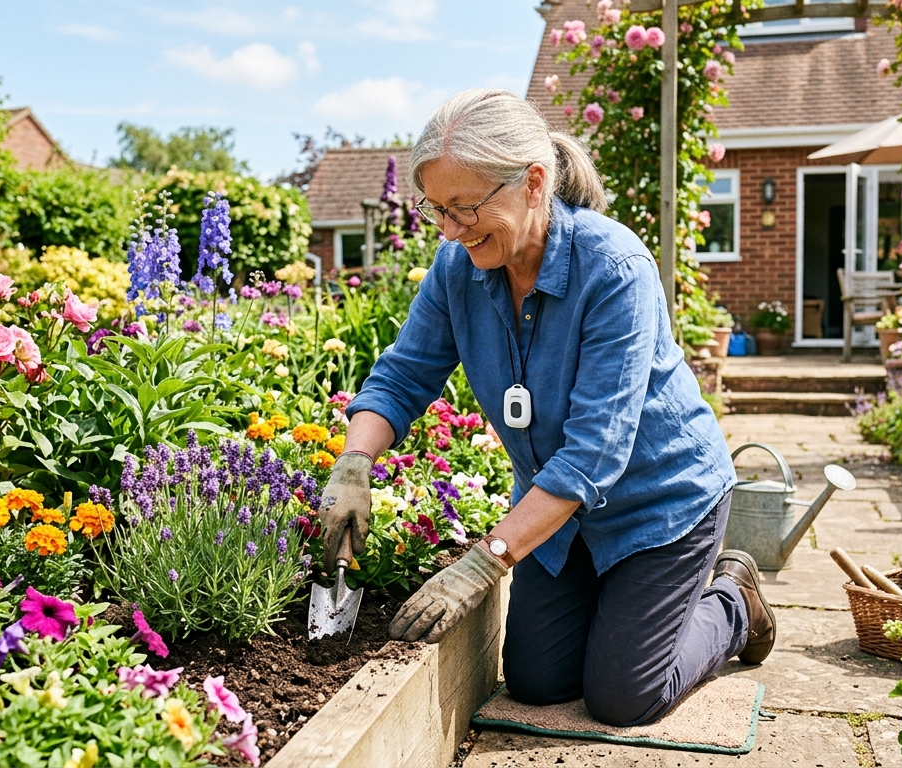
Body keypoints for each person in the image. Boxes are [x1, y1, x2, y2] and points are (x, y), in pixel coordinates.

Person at [316, 89, 776, 727]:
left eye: (466, 207)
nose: (450, 230)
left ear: (533, 183)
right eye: (437, 211)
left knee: (623, 696)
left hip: (660, 504)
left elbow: (593, 454)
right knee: (536, 682)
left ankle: (733, 601)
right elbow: (402, 375)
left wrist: (484, 561)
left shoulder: (614, 268)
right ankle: (622, 613)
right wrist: (354, 462)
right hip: (559, 518)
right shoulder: (458, 269)